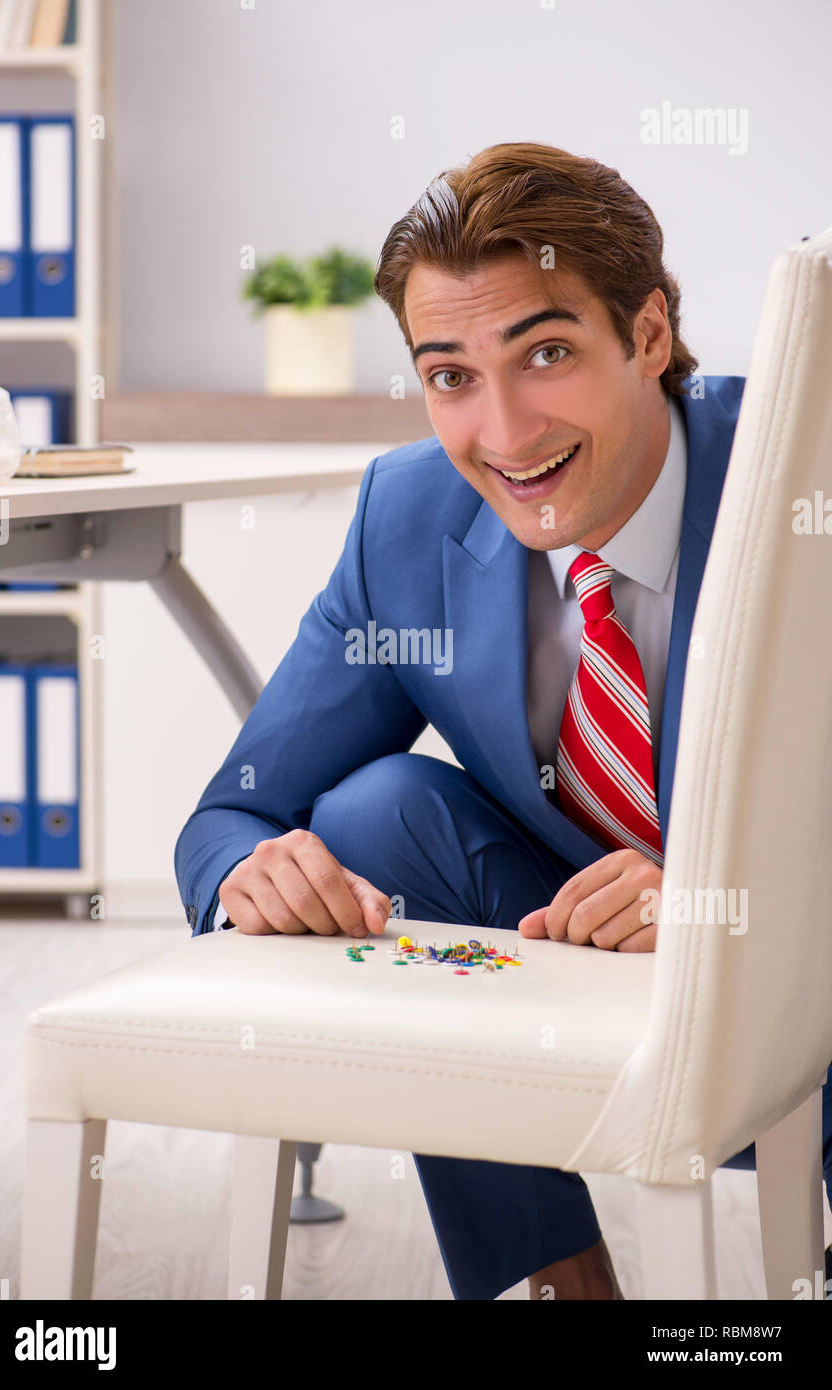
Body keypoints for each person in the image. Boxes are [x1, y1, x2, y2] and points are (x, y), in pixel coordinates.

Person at [175, 142, 832, 1300]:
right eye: (451, 376)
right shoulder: (405, 521)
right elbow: (234, 810)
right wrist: (251, 874)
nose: (506, 429)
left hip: (809, 1019)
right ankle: (559, 1281)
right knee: (372, 811)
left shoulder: (800, 470)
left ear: (649, 335)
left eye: (546, 353)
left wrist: (732, 902)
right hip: (593, 993)